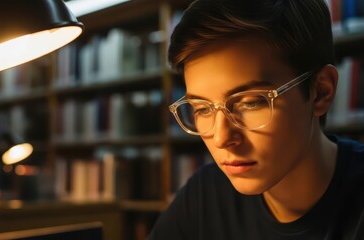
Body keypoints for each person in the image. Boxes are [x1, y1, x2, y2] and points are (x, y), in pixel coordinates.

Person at [147, 0, 364, 239]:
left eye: (250, 102)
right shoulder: (205, 195)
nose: (221, 138)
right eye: (202, 109)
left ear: (321, 92)